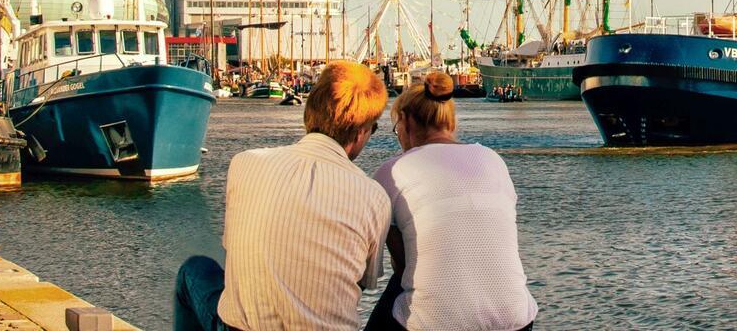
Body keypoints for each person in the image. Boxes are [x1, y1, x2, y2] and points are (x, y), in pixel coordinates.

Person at [175, 60, 392, 331]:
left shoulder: (244, 163)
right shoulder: (375, 197)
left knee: (194, 271)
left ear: (309, 113)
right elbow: (363, 281)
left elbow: (234, 252)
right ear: (362, 132)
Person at [367, 70, 536, 331]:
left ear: (406, 122)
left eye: (396, 127)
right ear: (450, 122)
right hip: (516, 320)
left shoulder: (391, 172)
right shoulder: (492, 160)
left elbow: (401, 267)